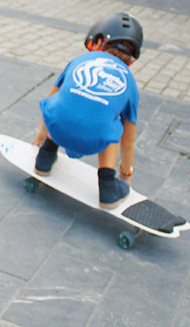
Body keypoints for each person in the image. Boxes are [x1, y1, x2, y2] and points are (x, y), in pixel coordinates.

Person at [32, 12, 143, 209]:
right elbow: (127, 140)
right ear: (131, 59)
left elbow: (50, 98)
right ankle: (108, 187)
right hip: (95, 141)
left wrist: (41, 134)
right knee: (112, 121)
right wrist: (126, 174)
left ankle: (45, 157)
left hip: (57, 129)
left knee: (66, 101)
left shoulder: (80, 60)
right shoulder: (130, 84)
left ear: (97, 41)